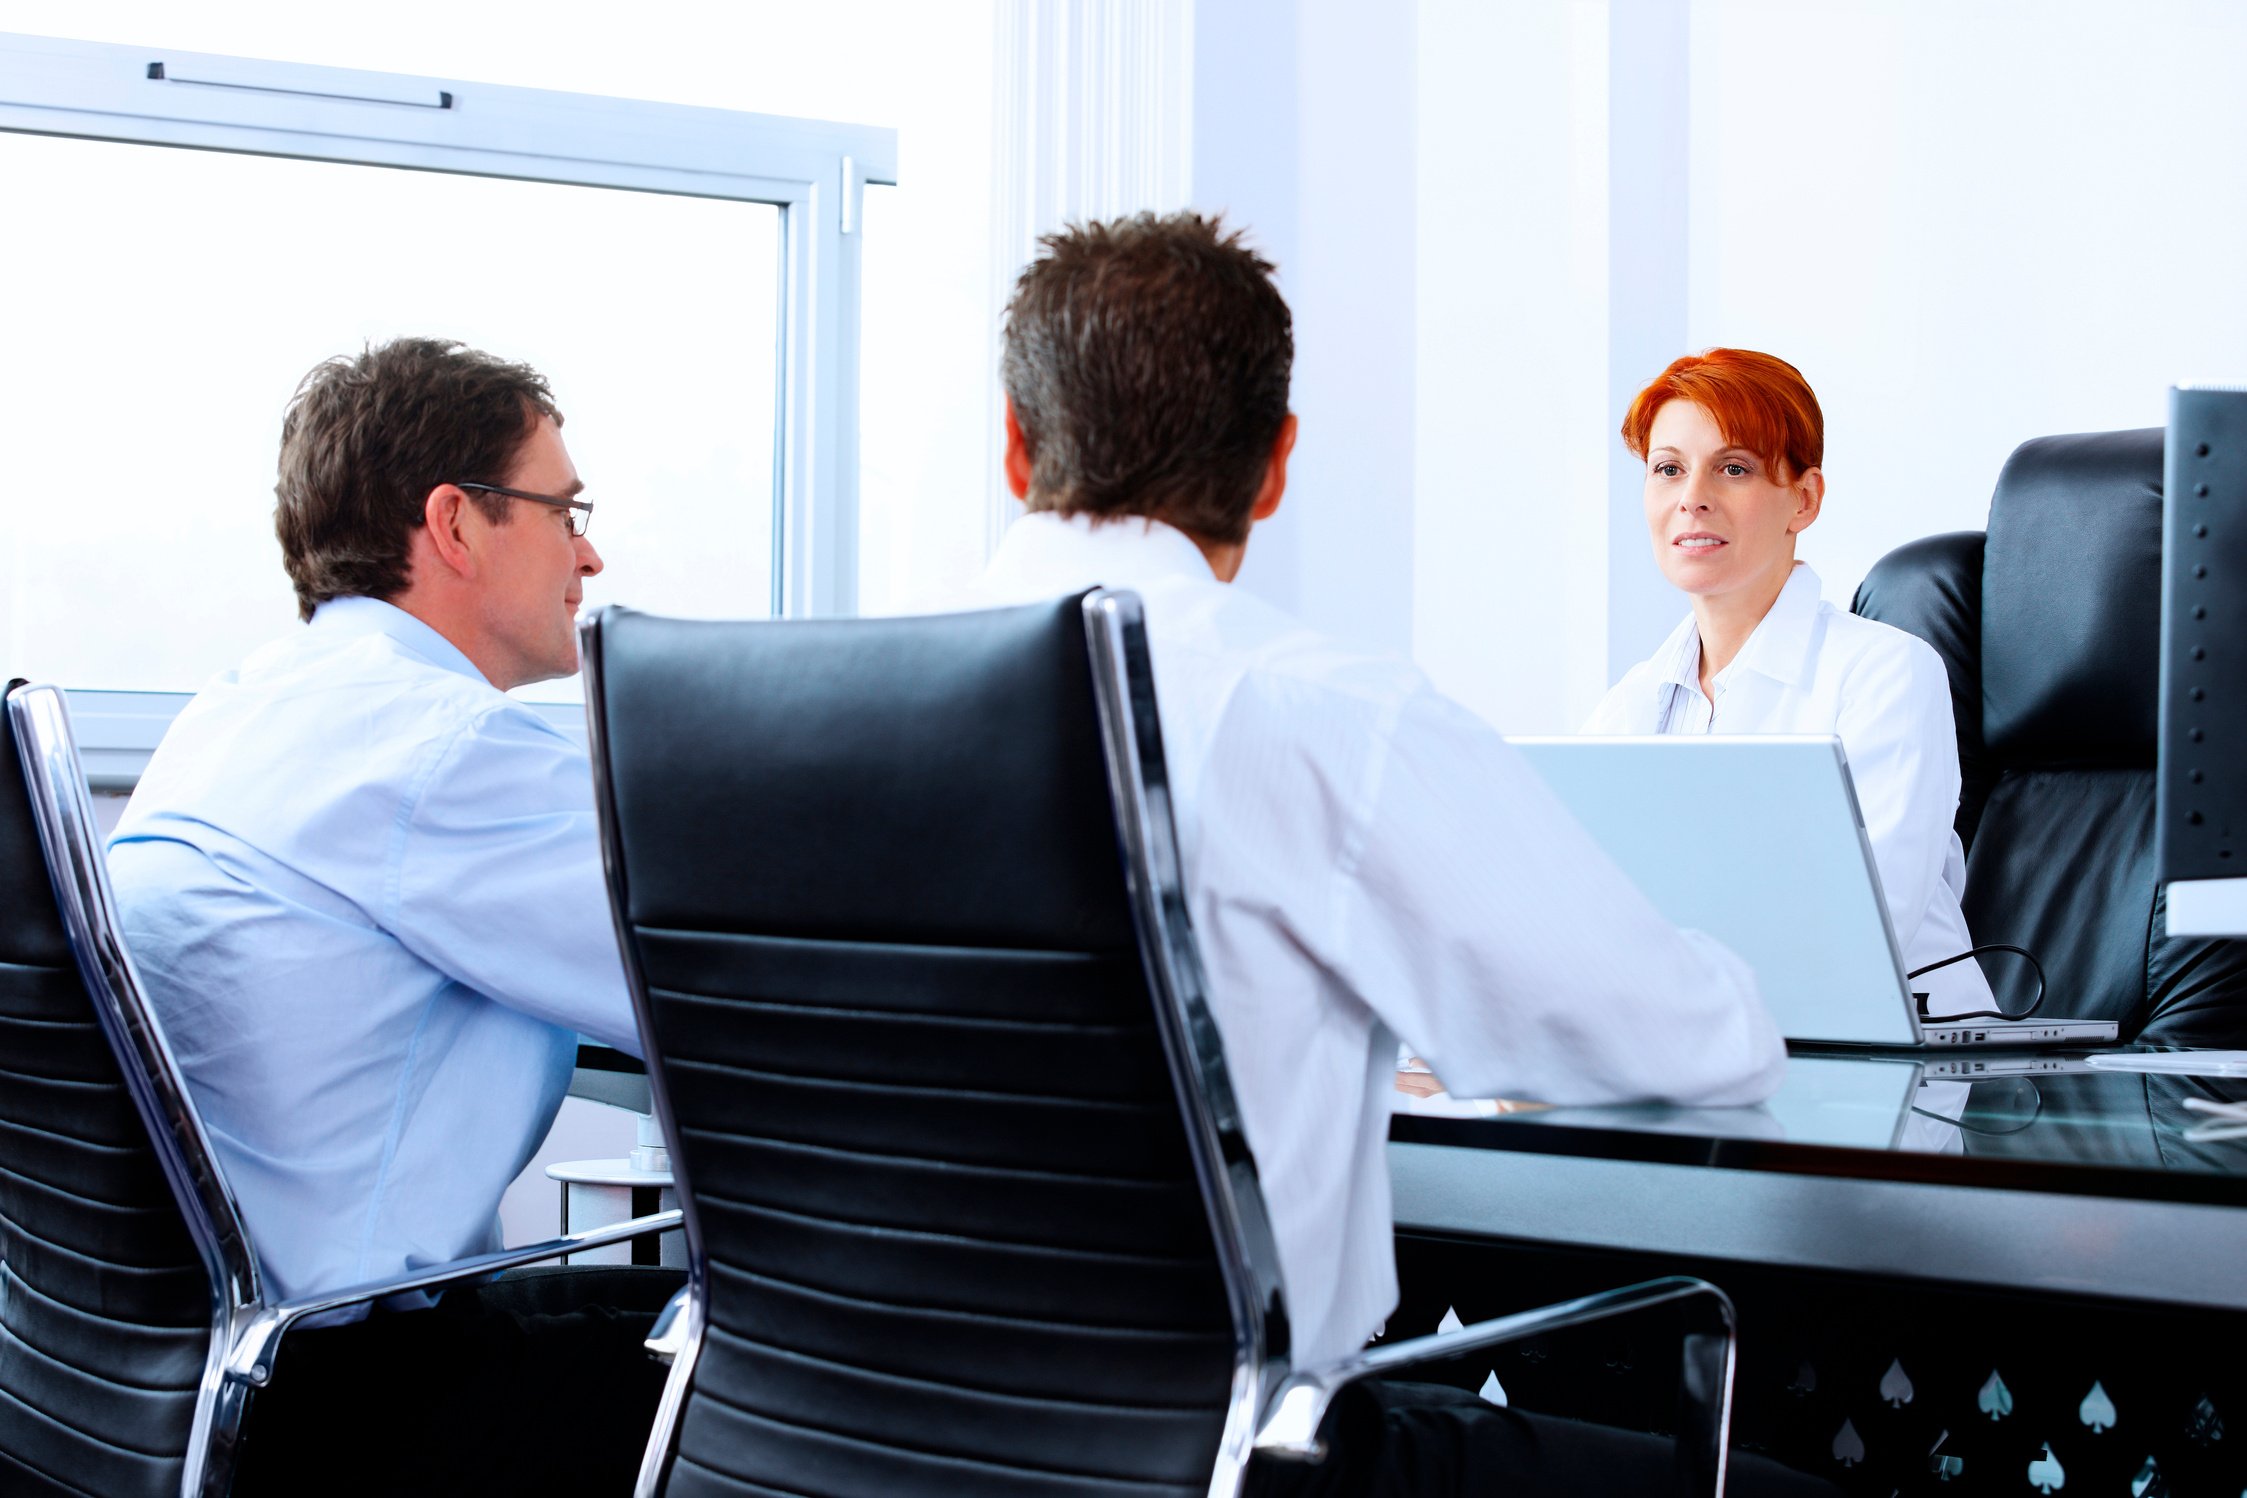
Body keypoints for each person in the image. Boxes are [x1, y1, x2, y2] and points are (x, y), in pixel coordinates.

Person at [959, 213, 1829, 1496]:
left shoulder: (773, 718)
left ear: (1017, 444)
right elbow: (1699, 1039)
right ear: (1275, 466)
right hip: (1208, 1452)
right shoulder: (1325, 715)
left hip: (822, 1443)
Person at [106, 338, 674, 1493]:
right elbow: (721, 976)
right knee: (829, 1361)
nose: (592, 552)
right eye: (564, 511)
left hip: (171, 1378)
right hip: (342, 1409)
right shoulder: (439, 747)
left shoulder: (238, 708)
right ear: (456, 524)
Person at [1584, 349, 1996, 1017]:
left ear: (1802, 501)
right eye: (1667, 470)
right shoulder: (1632, 705)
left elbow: (1856, 930)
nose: (1691, 498)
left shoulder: (1884, 674)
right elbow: (1581, 915)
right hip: (1686, 1048)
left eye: (1733, 468)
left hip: (1886, 1073)